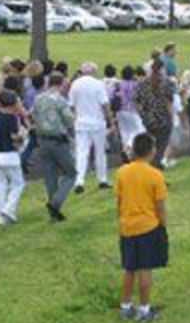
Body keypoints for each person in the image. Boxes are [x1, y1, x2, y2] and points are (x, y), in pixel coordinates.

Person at [115, 133, 169, 323]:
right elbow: (160, 206)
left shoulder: (122, 172)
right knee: (145, 269)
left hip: (127, 227)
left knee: (130, 268)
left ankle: (126, 306)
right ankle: (144, 310)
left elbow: (119, 201)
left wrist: (121, 221)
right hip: (148, 227)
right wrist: (163, 225)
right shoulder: (155, 175)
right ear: (152, 151)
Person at [32, 72, 76, 222]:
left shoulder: (38, 98)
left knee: (50, 176)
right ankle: (55, 202)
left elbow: (34, 116)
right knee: (71, 173)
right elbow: (69, 121)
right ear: (61, 84)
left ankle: (54, 214)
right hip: (58, 140)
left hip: (43, 140)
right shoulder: (60, 101)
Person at [69, 62, 113, 193]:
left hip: (81, 123)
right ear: (93, 71)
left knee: (81, 152)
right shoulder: (98, 84)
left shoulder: (75, 84)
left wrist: (75, 117)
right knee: (100, 152)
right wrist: (111, 121)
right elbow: (105, 104)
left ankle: (79, 180)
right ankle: (102, 179)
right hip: (97, 123)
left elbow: (71, 105)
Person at [0, 91, 26, 225]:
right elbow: (15, 139)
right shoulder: (13, 119)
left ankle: (1, 218)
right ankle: (8, 209)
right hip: (9, 155)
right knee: (18, 184)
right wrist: (22, 136)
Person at [135, 60, 176, 169]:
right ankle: (154, 168)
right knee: (161, 146)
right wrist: (172, 117)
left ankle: (152, 167)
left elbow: (137, 101)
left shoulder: (142, 84)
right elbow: (169, 102)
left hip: (149, 119)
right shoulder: (166, 83)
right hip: (163, 119)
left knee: (151, 145)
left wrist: (142, 115)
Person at [114, 66, 145, 157]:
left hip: (119, 111)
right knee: (139, 130)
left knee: (124, 131)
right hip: (131, 110)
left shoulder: (118, 84)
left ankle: (127, 153)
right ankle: (128, 147)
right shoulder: (135, 85)